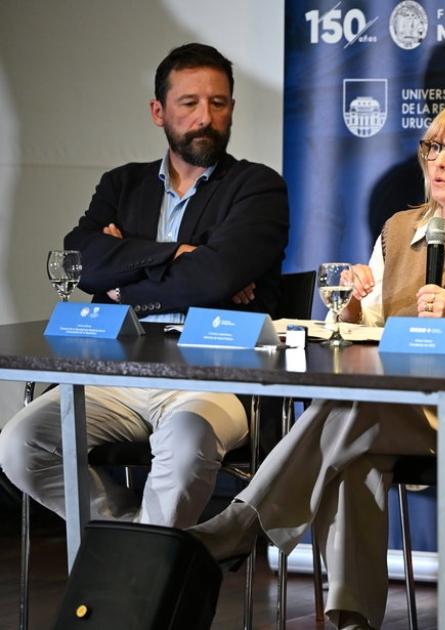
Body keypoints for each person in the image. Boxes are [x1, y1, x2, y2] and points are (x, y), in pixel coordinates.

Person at [188, 98, 445, 630]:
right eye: (432, 147)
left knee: (356, 411)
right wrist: (353, 302)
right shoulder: (399, 230)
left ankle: (243, 521)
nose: (437, 163)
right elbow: (369, 338)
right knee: (355, 458)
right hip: (393, 407)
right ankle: (351, 622)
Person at [0, 43, 290, 528]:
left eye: (218, 103)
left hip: (210, 375)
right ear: (159, 111)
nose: (205, 116)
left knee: (188, 439)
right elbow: (83, 263)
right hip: (116, 372)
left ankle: (141, 566)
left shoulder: (257, 186)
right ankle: (135, 542)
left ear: (232, 109)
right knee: (21, 443)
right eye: (189, 103)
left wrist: (125, 274)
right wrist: (175, 253)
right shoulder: (122, 184)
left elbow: (215, 277)